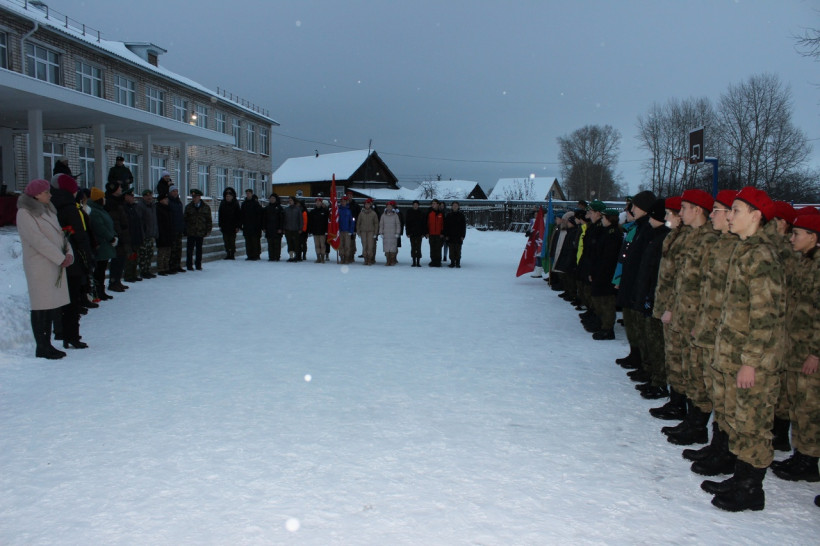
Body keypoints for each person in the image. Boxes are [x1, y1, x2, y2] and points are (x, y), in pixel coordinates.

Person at [700, 187, 785, 512]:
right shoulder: (744, 249)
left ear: (756, 216)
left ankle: (750, 489)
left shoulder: (762, 255)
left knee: (753, 422)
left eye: (736, 210)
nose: (729, 215)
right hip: (734, 353)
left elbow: (765, 316)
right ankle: (740, 477)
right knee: (737, 418)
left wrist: (750, 362)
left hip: (754, 360)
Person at [685, 190, 741, 476]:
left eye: (719, 209)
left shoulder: (739, 247)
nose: (715, 215)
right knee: (715, 390)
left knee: (727, 396)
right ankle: (718, 445)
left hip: (728, 336)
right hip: (711, 328)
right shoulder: (721, 243)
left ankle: (726, 451)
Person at [661, 189, 718, 447]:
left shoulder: (710, 239)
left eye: (684, 208)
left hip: (697, 318)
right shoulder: (692, 237)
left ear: (697, 210)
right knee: (686, 367)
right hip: (684, 313)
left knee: (698, 373)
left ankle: (697, 425)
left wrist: (701, 322)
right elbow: (680, 280)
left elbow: (708, 287)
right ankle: (691, 420)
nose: (680, 213)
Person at [769, 211, 820, 484]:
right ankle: (801, 454)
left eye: (797, 234)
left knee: (809, 407)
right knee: (797, 404)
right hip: (794, 348)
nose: (792, 238)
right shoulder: (803, 261)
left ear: (813, 236)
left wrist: (816, 353)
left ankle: (809, 460)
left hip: (808, 352)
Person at [16, 179, 72, 359]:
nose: (50, 195)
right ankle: (42, 346)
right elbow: (37, 240)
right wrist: (60, 257)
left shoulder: (48, 210)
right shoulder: (25, 213)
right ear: (36, 195)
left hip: (53, 263)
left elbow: (60, 235)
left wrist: (68, 252)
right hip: (39, 265)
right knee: (41, 305)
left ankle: (47, 344)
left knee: (50, 304)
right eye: (46, 192)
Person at [50, 174, 94, 349]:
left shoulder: (52, 205)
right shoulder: (70, 208)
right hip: (72, 257)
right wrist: (88, 258)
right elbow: (80, 235)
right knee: (72, 299)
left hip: (57, 256)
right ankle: (71, 335)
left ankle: (61, 331)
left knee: (61, 298)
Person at [589, 208, 623, 340]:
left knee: (607, 301)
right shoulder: (606, 231)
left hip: (607, 273)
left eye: (603, 218)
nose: (602, 220)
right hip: (601, 271)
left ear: (609, 219)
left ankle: (607, 328)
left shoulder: (613, 234)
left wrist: (600, 272)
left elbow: (608, 258)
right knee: (600, 299)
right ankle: (602, 323)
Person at [86, 187, 116, 300]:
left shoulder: (101, 210)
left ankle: (101, 291)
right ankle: (97, 291)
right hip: (101, 244)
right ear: (99, 199)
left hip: (106, 244)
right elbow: (100, 228)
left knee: (102, 269)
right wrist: (111, 238)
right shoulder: (95, 212)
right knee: (99, 270)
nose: (105, 199)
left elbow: (109, 225)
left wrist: (114, 235)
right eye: (103, 198)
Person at [104, 180, 132, 291]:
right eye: (119, 187)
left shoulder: (119, 201)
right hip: (117, 235)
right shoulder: (111, 202)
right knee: (116, 260)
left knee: (121, 259)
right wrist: (119, 234)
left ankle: (118, 280)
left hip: (122, 234)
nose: (121, 189)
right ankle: (113, 282)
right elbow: (114, 221)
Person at [184, 188, 212, 270]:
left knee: (199, 249)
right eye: (193, 197)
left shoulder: (205, 207)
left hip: (200, 231)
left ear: (199, 197)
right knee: (190, 249)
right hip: (191, 231)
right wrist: (185, 230)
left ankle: (198, 265)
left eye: (195, 197)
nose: (194, 199)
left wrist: (208, 230)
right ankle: (189, 265)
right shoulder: (188, 207)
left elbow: (209, 220)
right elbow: (185, 219)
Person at [122, 188, 144, 283]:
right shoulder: (124, 208)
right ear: (126, 196)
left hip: (135, 236)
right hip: (128, 236)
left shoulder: (133, 208)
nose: (133, 198)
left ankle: (133, 274)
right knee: (130, 257)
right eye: (131, 196)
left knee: (135, 257)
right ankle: (128, 275)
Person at [135, 190, 158, 279]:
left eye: (150, 195)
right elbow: (139, 221)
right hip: (144, 234)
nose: (149, 197)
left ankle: (147, 270)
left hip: (151, 233)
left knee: (149, 254)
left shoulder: (153, 206)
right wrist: (142, 232)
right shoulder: (140, 206)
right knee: (143, 254)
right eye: (147, 196)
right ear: (143, 197)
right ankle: (143, 271)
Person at [218, 187, 241, 260]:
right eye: (226, 196)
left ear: (232, 197)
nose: (228, 197)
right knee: (226, 241)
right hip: (225, 226)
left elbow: (238, 215)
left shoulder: (235, 203)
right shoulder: (223, 203)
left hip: (233, 226)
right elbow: (220, 215)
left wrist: (238, 226)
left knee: (232, 241)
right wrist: (220, 225)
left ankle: (232, 254)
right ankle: (228, 253)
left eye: (229, 196)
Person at [155, 192, 175, 276]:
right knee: (162, 252)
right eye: (165, 199)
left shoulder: (168, 208)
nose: (167, 200)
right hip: (161, 233)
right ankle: (161, 268)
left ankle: (166, 267)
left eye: (167, 199)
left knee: (167, 252)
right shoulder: (158, 208)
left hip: (168, 233)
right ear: (161, 200)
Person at [167, 185, 186, 273]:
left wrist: (183, 227)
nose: (175, 193)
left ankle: (177, 265)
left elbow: (181, 215)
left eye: (176, 191)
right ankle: (171, 266)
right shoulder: (169, 201)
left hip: (179, 228)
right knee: (173, 249)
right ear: (170, 192)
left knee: (178, 248)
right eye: (173, 191)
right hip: (172, 228)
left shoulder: (179, 202)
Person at [240, 189, 263, 261]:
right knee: (248, 242)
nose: (248, 194)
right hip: (247, 226)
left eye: (249, 193)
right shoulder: (244, 204)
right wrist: (241, 224)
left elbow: (259, 215)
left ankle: (256, 255)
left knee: (255, 241)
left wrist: (259, 225)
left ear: (252, 194)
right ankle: (249, 255)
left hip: (255, 226)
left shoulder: (256, 203)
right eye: (247, 193)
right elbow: (242, 215)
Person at [443, 201, 467, 268]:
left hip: (459, 236)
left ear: (458, 207)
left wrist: (463, 236)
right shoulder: (449, 215)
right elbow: (446, 226)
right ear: (452, 207)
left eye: (456, 205)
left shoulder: (461, 215)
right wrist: (446, 235)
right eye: (453, 205)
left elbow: (463, 227)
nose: (455, 207)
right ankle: (452, 262)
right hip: (450, 236)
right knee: (451, 250)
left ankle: (458, 263)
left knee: (458, 250)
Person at [378, 201, 402, 266]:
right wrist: (381, 232)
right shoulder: (383, 215)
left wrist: (397, 233)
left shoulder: (395, 215)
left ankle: (392, 260)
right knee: (386, 248)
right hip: (386, 234)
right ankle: (387, 260)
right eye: (388, 206)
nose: (389, 208)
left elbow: (398, 224)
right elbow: (381, 224)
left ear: (392, 207)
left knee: (393, 248)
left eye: (390, 206)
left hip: (393, 235)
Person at [357, 198, 379, 265]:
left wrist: (375, 233)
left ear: (370, 205)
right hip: (363, 232)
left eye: (368, 204)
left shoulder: (373, 213)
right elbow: (358, 223)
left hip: (371, 232)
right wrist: (358, 232)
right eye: (366, 204)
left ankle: (370, 259)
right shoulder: (361, 213)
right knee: (364, 246)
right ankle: (365, 259)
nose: (367, 205)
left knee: (370, 246)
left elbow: (376, 224)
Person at [263, 193, 285, 261]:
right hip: (269, 228)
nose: (272, 200)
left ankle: (277, 256)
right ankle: (271, 256)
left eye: (273, 198)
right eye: (271, 198)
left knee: (277, 244)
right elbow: (264, 218)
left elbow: (282, 219)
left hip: (277, 229)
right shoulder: (267, 208)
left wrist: (280, 228)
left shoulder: (280, 208)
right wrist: (264, 227)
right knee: (270, 244)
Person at [405, 200, 426, 267]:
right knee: (413, 247)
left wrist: (423, 233)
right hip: (412, 233)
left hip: (419, 233)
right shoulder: (409, 212)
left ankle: (418, 261)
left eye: (416, 205)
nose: (415, 206)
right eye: (414, 205)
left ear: (418, 205)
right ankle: (414, 261)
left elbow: (424, 224)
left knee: (418, 247)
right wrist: (407, 232)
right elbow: (407, 223)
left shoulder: (421, 212)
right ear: (412, 205)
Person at [308, 197, 329, 263]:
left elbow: (327, 222)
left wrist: (326, 230)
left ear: (321, 203)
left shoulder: (325, 211)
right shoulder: (313, 212)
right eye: (316, 202)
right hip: (315, 231)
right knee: (317, 245)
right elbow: (310, 222)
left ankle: (322, 257)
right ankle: (318, 258)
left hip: (323, 231)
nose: (318, 203)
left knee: (322, 245)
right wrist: (310, 230)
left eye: (319, 202)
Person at [283, 196, 303, 262]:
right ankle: (291, 256)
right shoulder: (286, 209)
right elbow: (284, 220)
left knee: (296, 244)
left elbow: (300, 219)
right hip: (288, 229)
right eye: (289, 200)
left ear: (294, 201)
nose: (290, 201)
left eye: (291, 200)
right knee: (289, 243)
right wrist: (284, 228)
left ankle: (296, 256)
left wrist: (300, 228)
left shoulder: (298, 209)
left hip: (296, 229)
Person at [338, 196, 355, 264]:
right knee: (341, 245)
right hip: (340, 231)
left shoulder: (349, 211)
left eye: (344, 201)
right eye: (342, 201)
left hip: (347, 231)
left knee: (347, 246)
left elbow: (352, 221)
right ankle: (342, 257)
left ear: (346, 202)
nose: (343, 203)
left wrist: (351, 230)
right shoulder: (338, 211)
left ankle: (347, 258)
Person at [427, 199, 444, 267]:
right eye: (432, 204)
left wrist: (442, 232)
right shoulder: (429, 213)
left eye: (434, 203)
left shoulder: (441, 213)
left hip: (439, 234)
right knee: (432, 248)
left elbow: (443, 224)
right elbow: (427, 223)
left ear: (438, 204)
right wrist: (427, 232)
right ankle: (433, 261)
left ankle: (438, 261)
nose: (433, 205)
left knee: (438, 248)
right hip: (431, 234)